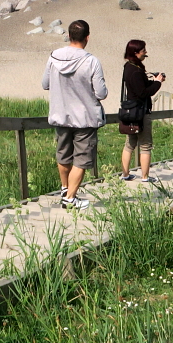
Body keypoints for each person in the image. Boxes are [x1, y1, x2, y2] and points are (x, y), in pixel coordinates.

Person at [41, 19, 107, 210]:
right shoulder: (91, 61)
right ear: (87, 37)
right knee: (81, 159)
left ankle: (65, 189)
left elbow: (45, 84)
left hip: (60, 115)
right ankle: (70, 198)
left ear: (69, 36)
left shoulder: (53, 56)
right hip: (85, 118)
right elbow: (101, 93)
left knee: (63, 155)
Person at [119, 39, 164, 183]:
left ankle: (125, 174)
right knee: (145, 145)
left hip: (130, 111)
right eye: (143, 50)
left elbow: (139, 88)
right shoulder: (136, 71)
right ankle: (145, 176)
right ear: (136, 52)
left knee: (129, 144)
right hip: (140, 112)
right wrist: (157, 83)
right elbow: (144, 93)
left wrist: (154, 80)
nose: (146, 53)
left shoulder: (128, 67)